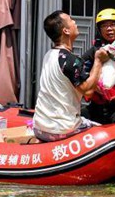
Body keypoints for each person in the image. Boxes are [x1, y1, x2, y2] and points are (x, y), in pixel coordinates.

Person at [32, 10, 109, 142]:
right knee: (105, 132)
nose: (75, 22)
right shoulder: (71, 60)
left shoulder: (49, 55)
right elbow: (88, 92)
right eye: (71, 20)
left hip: (39, 127)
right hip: (61, 129)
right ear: (66, 31)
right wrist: (98, 61)